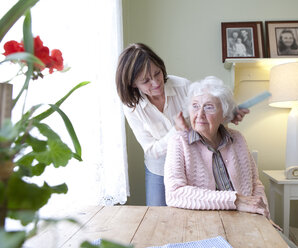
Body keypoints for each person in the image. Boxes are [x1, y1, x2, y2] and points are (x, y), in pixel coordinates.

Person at [115, 43, 249, 206]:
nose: (156, 82)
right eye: (146, 81)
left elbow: (204, 116)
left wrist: (228, 116)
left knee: (194, 209)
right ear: (133, 84)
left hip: (191, 162)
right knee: (159, 218)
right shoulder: (132, 107)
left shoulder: (182, 86)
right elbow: (151, 150)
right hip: (159, 168)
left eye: (157, 73)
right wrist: (176, 130)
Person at [164, 76, 269, 217]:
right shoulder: (179, 142)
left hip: (246, 219)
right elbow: (174, 193)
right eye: (195, 106)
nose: (200, 114)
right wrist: (235, 200)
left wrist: (262, 212)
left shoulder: (237, 139)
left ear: (224, 114)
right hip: (202, 222)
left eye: (209, 107)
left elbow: (255, 184)